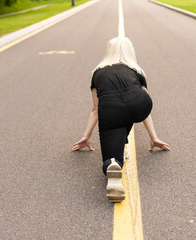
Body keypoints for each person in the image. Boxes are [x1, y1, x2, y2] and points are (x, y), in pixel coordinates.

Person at [72, 37, 170, 203]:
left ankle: (113, 165)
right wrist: (154, 138)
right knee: (130, 108)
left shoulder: (98, 72)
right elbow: (141, 106)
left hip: (112, 111)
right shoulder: (137, 70)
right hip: (140, 104)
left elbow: (95, 110)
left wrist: (86, 136)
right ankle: (121, 145)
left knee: (112, 150)